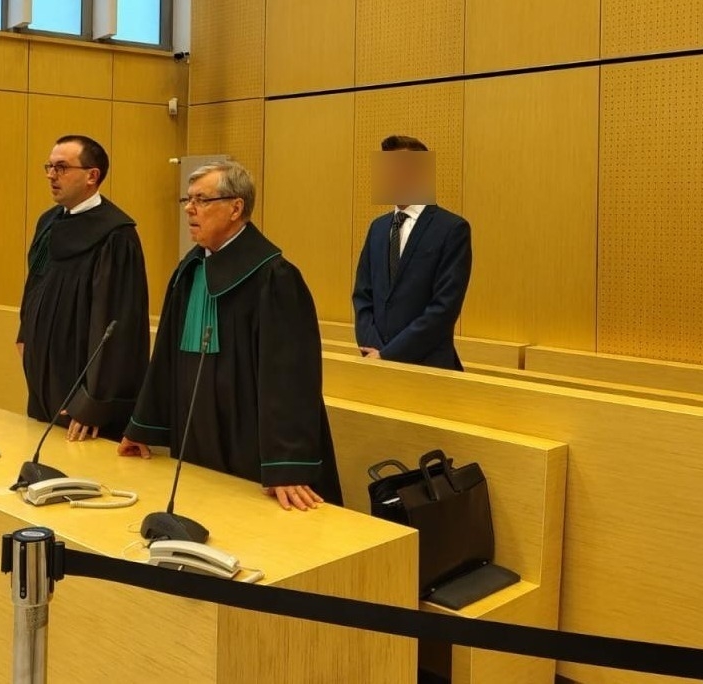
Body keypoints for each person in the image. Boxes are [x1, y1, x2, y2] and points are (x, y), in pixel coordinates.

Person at [119, 161, 342, 511]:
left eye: (202, 200)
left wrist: (286, 465)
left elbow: (291, 378)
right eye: (188, 200)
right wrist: (141, 427)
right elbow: (165, 358)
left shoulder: (274, 277)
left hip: (248, 437)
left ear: (236, 208)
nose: (190, 209)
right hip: (196, 432)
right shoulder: (190, 271)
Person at [17, 135, 149, 441]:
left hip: (83, 384)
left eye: (62, 168)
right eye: (49, 167)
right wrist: (25, 335)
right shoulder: (48, 223)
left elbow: (117, 326)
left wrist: (94, 403)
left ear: (92, 175)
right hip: (42, 373)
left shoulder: (116, 236)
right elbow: (35, 282)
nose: (51, 175)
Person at [353, 135, 472, 370]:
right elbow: (363, 296)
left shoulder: (452, 229)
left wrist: (389, 355)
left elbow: (443, 309)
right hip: (375, 365)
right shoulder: (378, 228)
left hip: (428, 367)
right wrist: (375, 351)